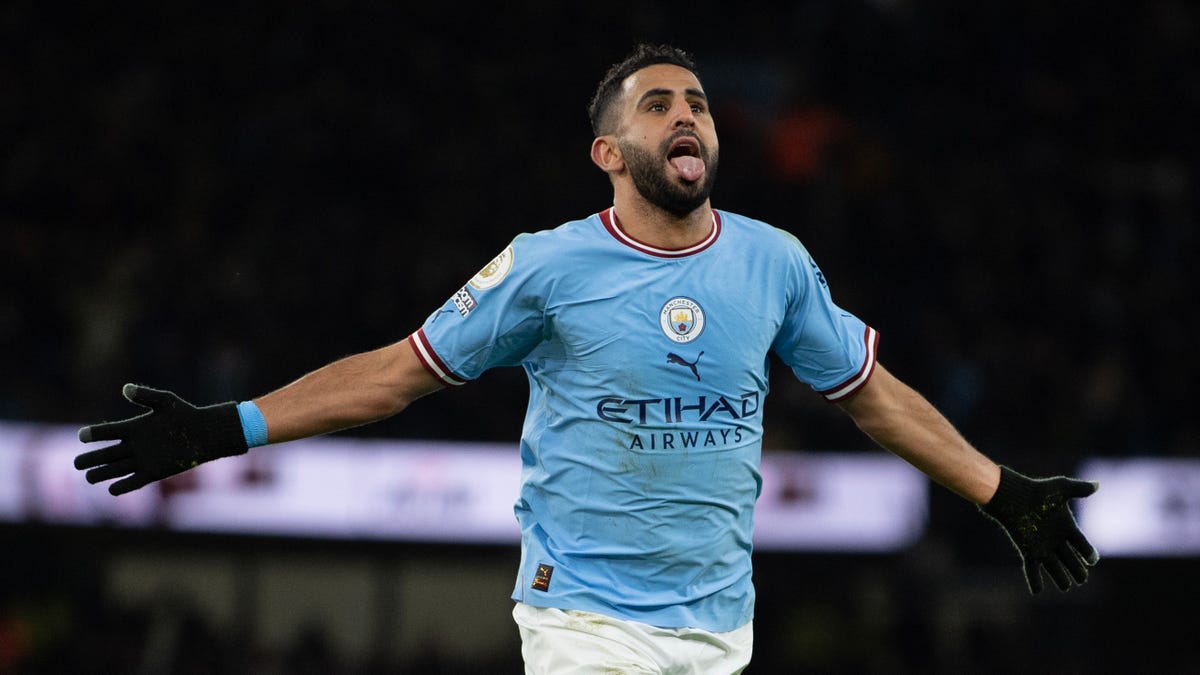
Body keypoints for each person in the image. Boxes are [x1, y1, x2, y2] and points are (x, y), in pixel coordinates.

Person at [75, 43, 1100, 673]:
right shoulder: (545, 268)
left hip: (718, 628)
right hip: (585, 622)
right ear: (609, 153)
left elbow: (872, 397)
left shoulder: (773, 264)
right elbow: (397, 371)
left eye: (696, 101)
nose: (686, 114)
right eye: (657, 105)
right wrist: (228, 425)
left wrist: (1000, 492)